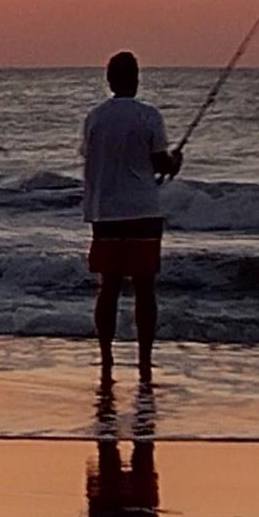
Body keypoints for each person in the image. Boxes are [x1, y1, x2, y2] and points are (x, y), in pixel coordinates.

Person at [81, 50, 180, 388]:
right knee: (144, 288)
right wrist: (174, 163)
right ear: (136, 79)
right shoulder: (148, 116)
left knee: (107, 287)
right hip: (142, 210)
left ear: (109, 80)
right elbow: (159, 162)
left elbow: (92, 158)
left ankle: (107, 356)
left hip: (104, 211)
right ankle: (144, 358)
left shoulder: (94, 118)